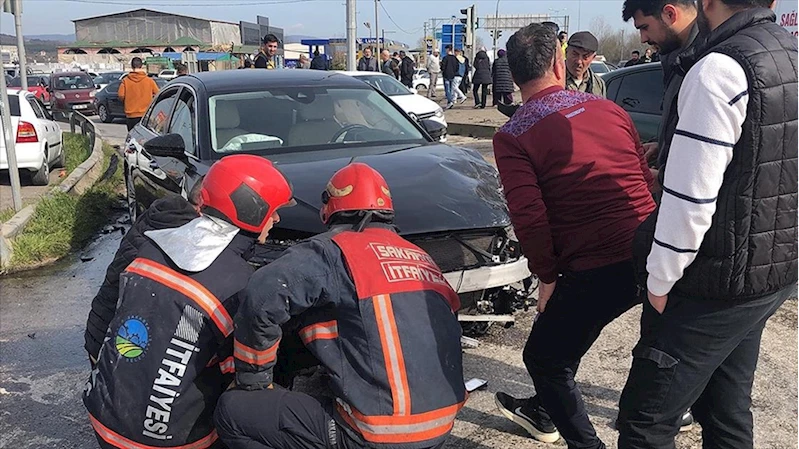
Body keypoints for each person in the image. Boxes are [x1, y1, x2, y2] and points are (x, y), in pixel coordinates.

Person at [617, 0, 798, 447]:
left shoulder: (719, 69)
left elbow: (690, 200)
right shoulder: (789, 53)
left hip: (714, 282)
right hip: (769, 272)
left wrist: (660, 279)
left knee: (645, 423)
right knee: (725, 408)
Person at [214, 163, 466, 449]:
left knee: (233, 411)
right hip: (439, 427)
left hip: (374, 433)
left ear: (329, 209)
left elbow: (263, 294)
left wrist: (254, 379)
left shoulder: (333, 251)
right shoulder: (421, 258)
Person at [492, 23, 656, 449]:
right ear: (557, 63)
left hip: (595, 265)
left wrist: (546, 275)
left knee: (544, 358)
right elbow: (643, 178)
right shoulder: (607, 109)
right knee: (644, 343)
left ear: (514, 73)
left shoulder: (512, 134)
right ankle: (545, 410)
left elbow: (529, 216)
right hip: (651, 248)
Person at [83, 155, 296, 449]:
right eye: (273, 212)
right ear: (253, 211)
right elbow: (247, 372)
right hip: (169, 442)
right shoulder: (238, 283)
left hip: (104, 419)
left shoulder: (153, 245)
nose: (277, 220)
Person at [83, 189, 202, 367]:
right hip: (115, 338)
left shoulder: (159, 216)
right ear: (201, 206)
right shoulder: (180, 234)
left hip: (99, 325)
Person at [118, 57, 159, 131]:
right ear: (141, 66)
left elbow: (121, 95)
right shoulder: (149, 81)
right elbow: (158, 94)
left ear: (132, 66)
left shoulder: (125, 81)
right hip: (145, 114)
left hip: (131, 115)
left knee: (132, 135)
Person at [565, 31, 606, 97]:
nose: (579, 61)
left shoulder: (598, 84)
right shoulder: (552, 79)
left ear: (593, 58)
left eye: (585, 57)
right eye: (575, 54)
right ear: (566, 52)